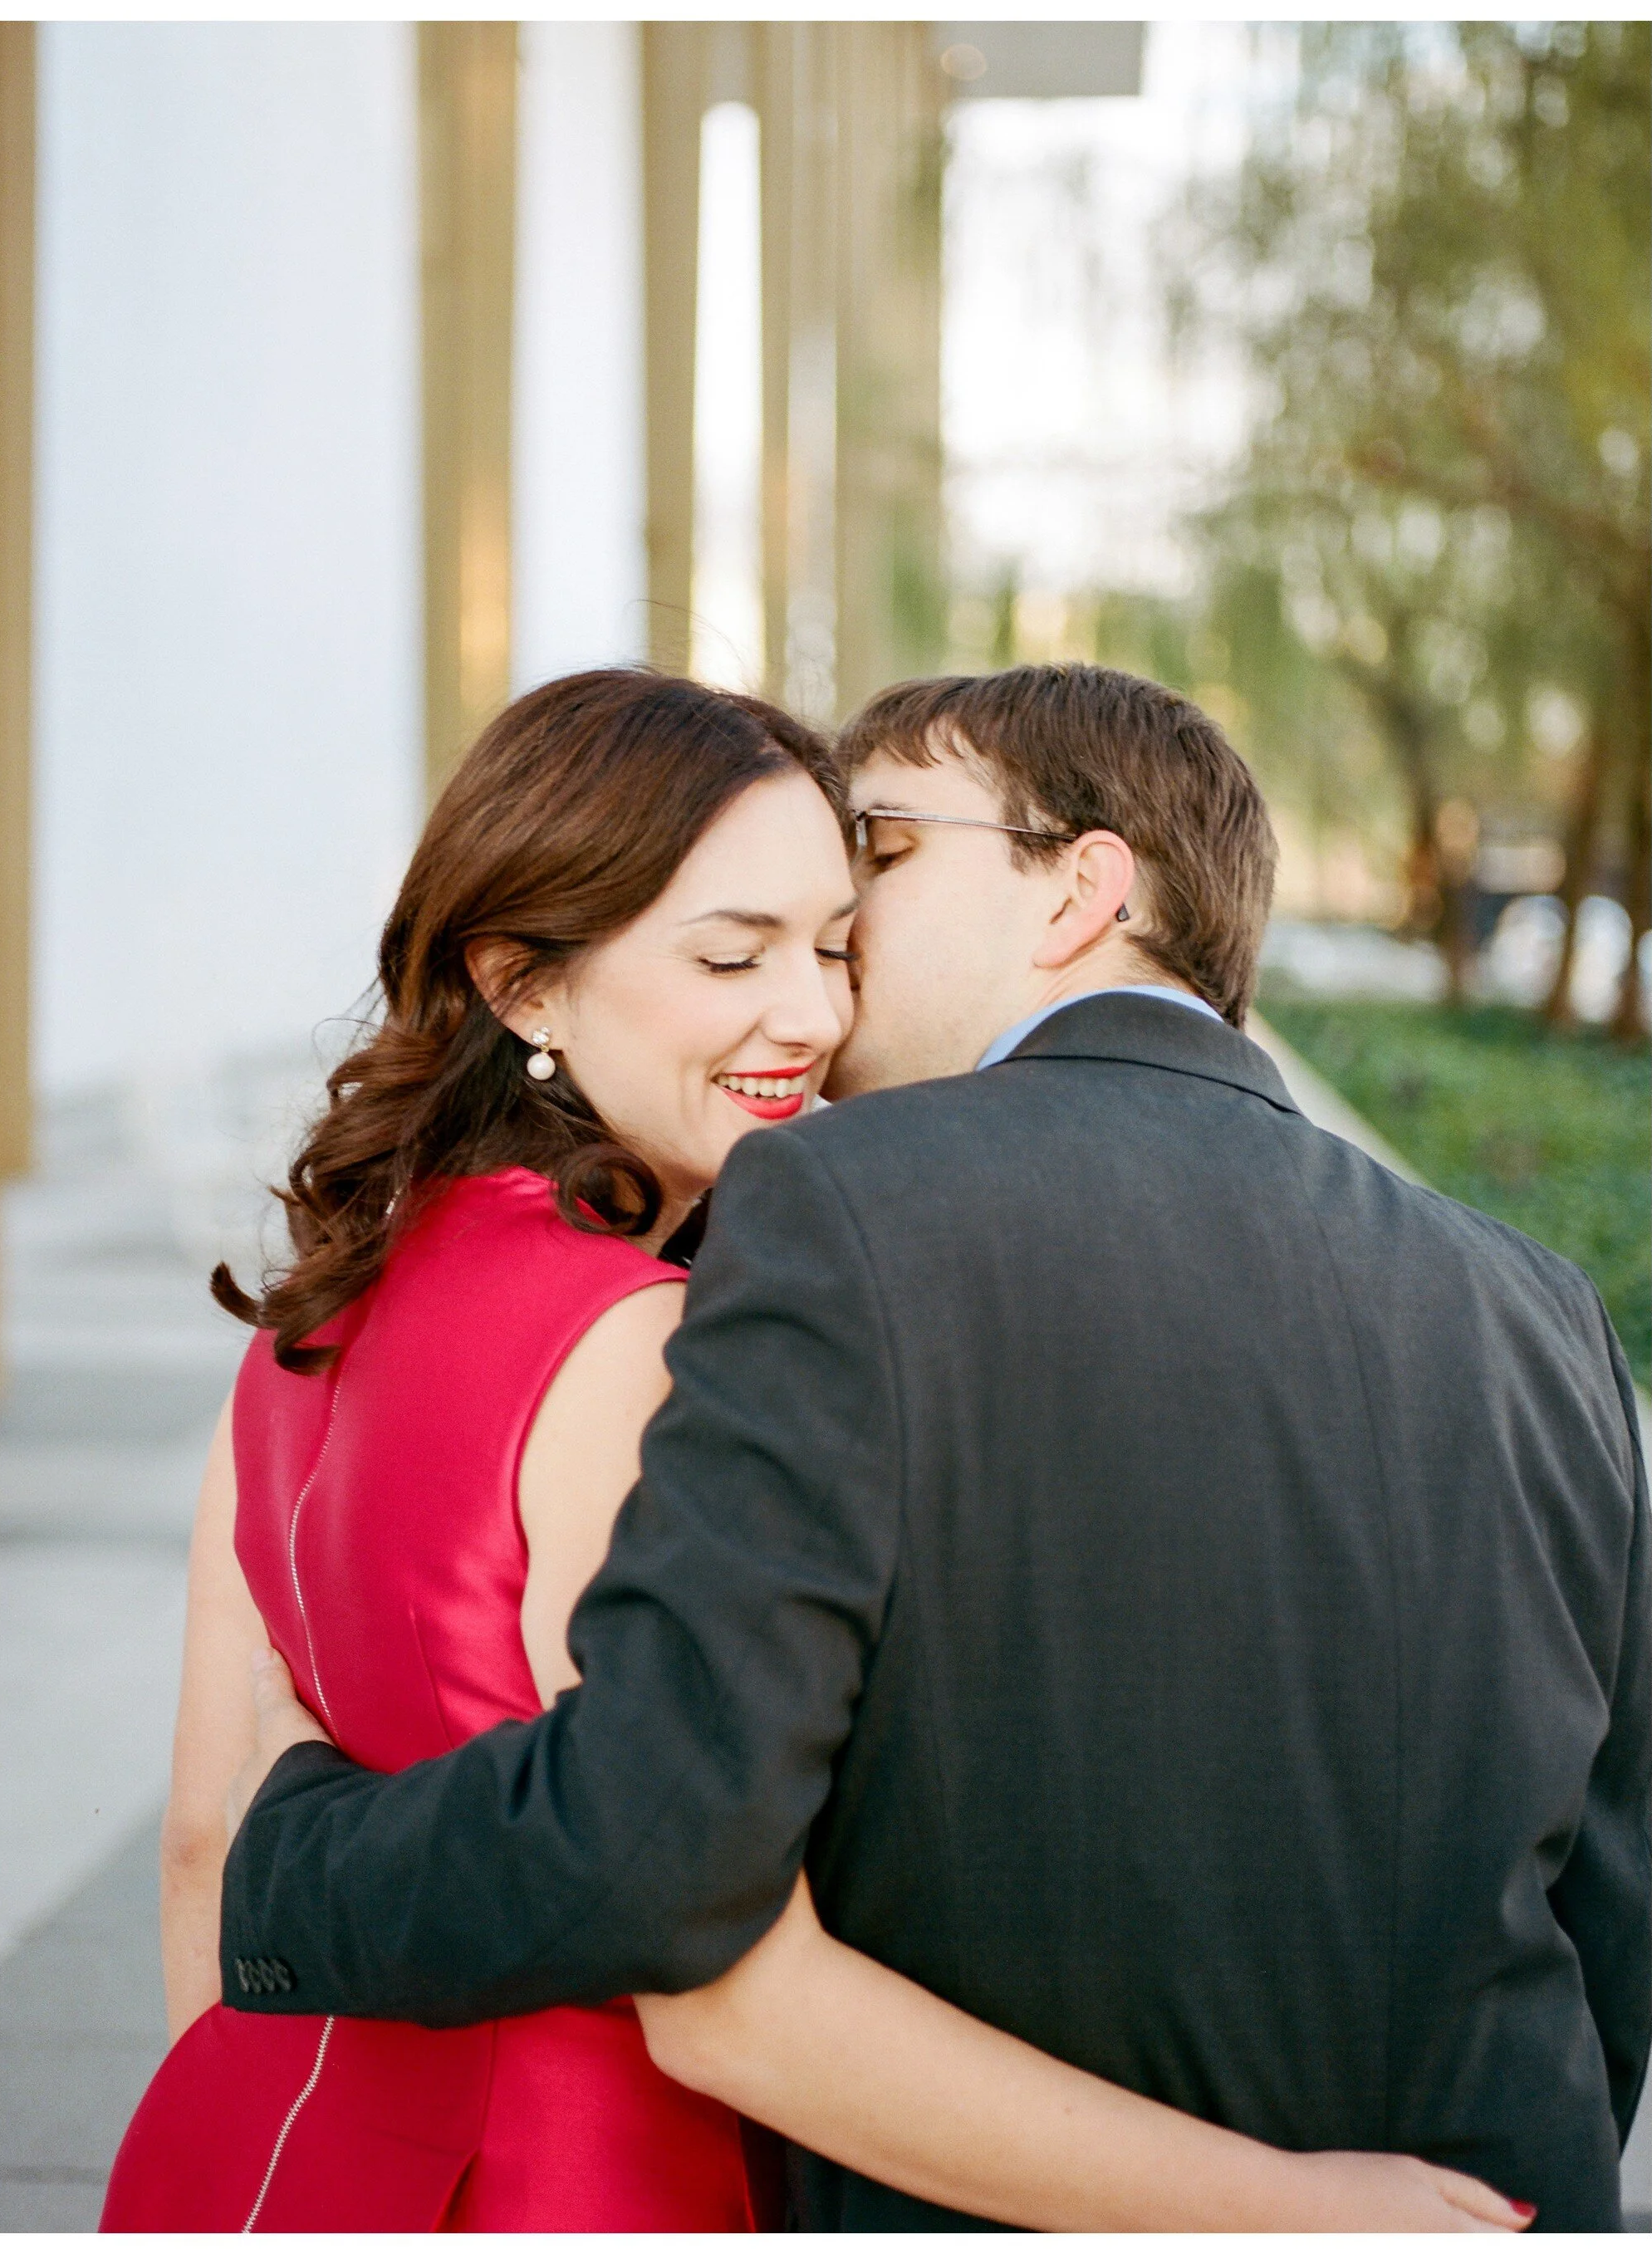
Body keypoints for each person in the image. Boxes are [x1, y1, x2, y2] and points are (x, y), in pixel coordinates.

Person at [99, 668, 1516, 2235]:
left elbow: (203, 1846)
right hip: (579, 2185)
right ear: (524, 984)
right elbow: (728, 1993)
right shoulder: (637, 1345)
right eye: (732, 954)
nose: (816, 1015)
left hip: (247, 2160)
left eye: (839, 943)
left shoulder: (303, 1322)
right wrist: (1280, 2206)